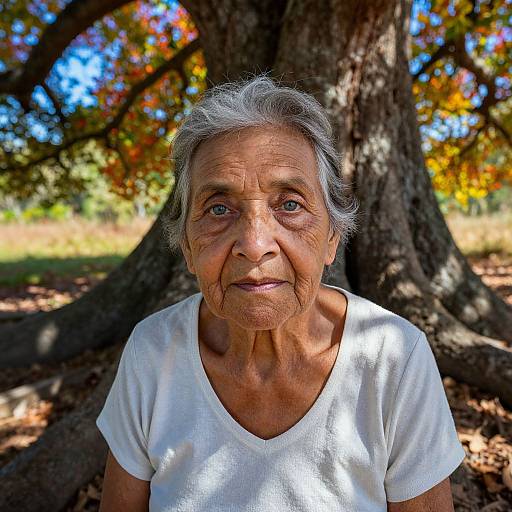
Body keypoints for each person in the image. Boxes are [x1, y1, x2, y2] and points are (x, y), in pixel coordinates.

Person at [96, 75, 465, 511]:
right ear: (187, 247)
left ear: (331, 237)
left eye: (290, 204)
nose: (254, 244)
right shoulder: (154, 352)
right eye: (218, 208)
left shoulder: (394, 358)